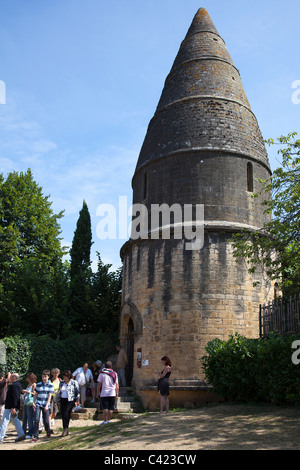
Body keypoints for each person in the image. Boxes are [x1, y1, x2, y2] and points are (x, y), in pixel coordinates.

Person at [0, 373, 25, 443]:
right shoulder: (18, 385)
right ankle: (21, 434)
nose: (9, 378)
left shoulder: (14, 385)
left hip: (10, 407)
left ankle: (0, 437)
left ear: (14, 378)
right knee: (15, 420)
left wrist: (13, 407)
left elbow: (15, 397)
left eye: (11, 377)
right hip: (12, 406)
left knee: (4, 421)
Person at [32, 370, 54, 442]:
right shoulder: (38, 384)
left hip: (45, 404)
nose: (44, 378)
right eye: (43, 376)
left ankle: (48, 430)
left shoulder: (51, 385)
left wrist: (47, 405)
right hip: (38, 403)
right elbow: (36, 394)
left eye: (45, 376)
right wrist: (33, 402)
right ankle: (36, 436)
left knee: (46, 420)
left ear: (48, 377)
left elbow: (50, 396)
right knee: (36, 419)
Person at [57, 370, 80, 437]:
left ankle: (66, 428)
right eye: (64, 376)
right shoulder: (61, 382)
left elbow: (77, 392)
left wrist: (77, 400)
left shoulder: (74, 382)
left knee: (66, 413)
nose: (64, 378)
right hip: (62, 399)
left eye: (66, 376)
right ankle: (65, 428)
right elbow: (59, 391)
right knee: (63, 414)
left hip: (70, 400)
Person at [97, 361, 119, 425]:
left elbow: (99, 384)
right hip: (112, 392)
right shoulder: (114, 373)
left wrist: (98, 392)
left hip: (104, 393)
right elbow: (117, 384)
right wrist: (117, 392)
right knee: (111, 408)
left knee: (105, 408)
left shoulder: (102, 374)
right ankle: (109, 420)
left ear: (104, 366)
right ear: (111, 366)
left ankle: (105, 420)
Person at [22, 372, 37, 439]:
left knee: (30, 418)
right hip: (26, 402)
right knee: (24, 418)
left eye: (27, 378)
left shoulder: (34, 385)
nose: (26, 379)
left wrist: (28, 392)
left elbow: (35, 393)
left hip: (30, 403)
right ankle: (23, 431)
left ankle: (30, 432)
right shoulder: (28, 384)